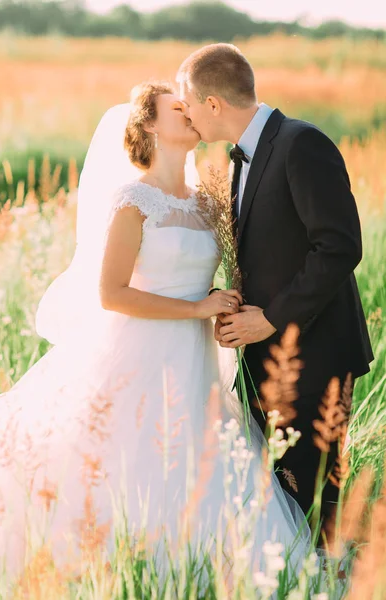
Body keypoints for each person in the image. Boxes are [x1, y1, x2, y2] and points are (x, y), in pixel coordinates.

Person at [0, 82, 310, 582]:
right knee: (127, 457)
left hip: (196, 356)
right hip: (137, 351)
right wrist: (197, 307)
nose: (190, 113)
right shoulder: (132, 200)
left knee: (197, 457)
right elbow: (112, 294)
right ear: (151, 126)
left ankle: (201, 567)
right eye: (177, 109)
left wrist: (228, 305)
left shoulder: (208, 201)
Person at [178, 43, 374, 527]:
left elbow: (339, 246)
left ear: (213, 104)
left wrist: (270, 318)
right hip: (263, 360)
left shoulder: (300, 143)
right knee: (280, 504)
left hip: (315, 358)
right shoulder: (240, 159)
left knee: (316, 503)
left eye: (187, 103)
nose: (186, 116)